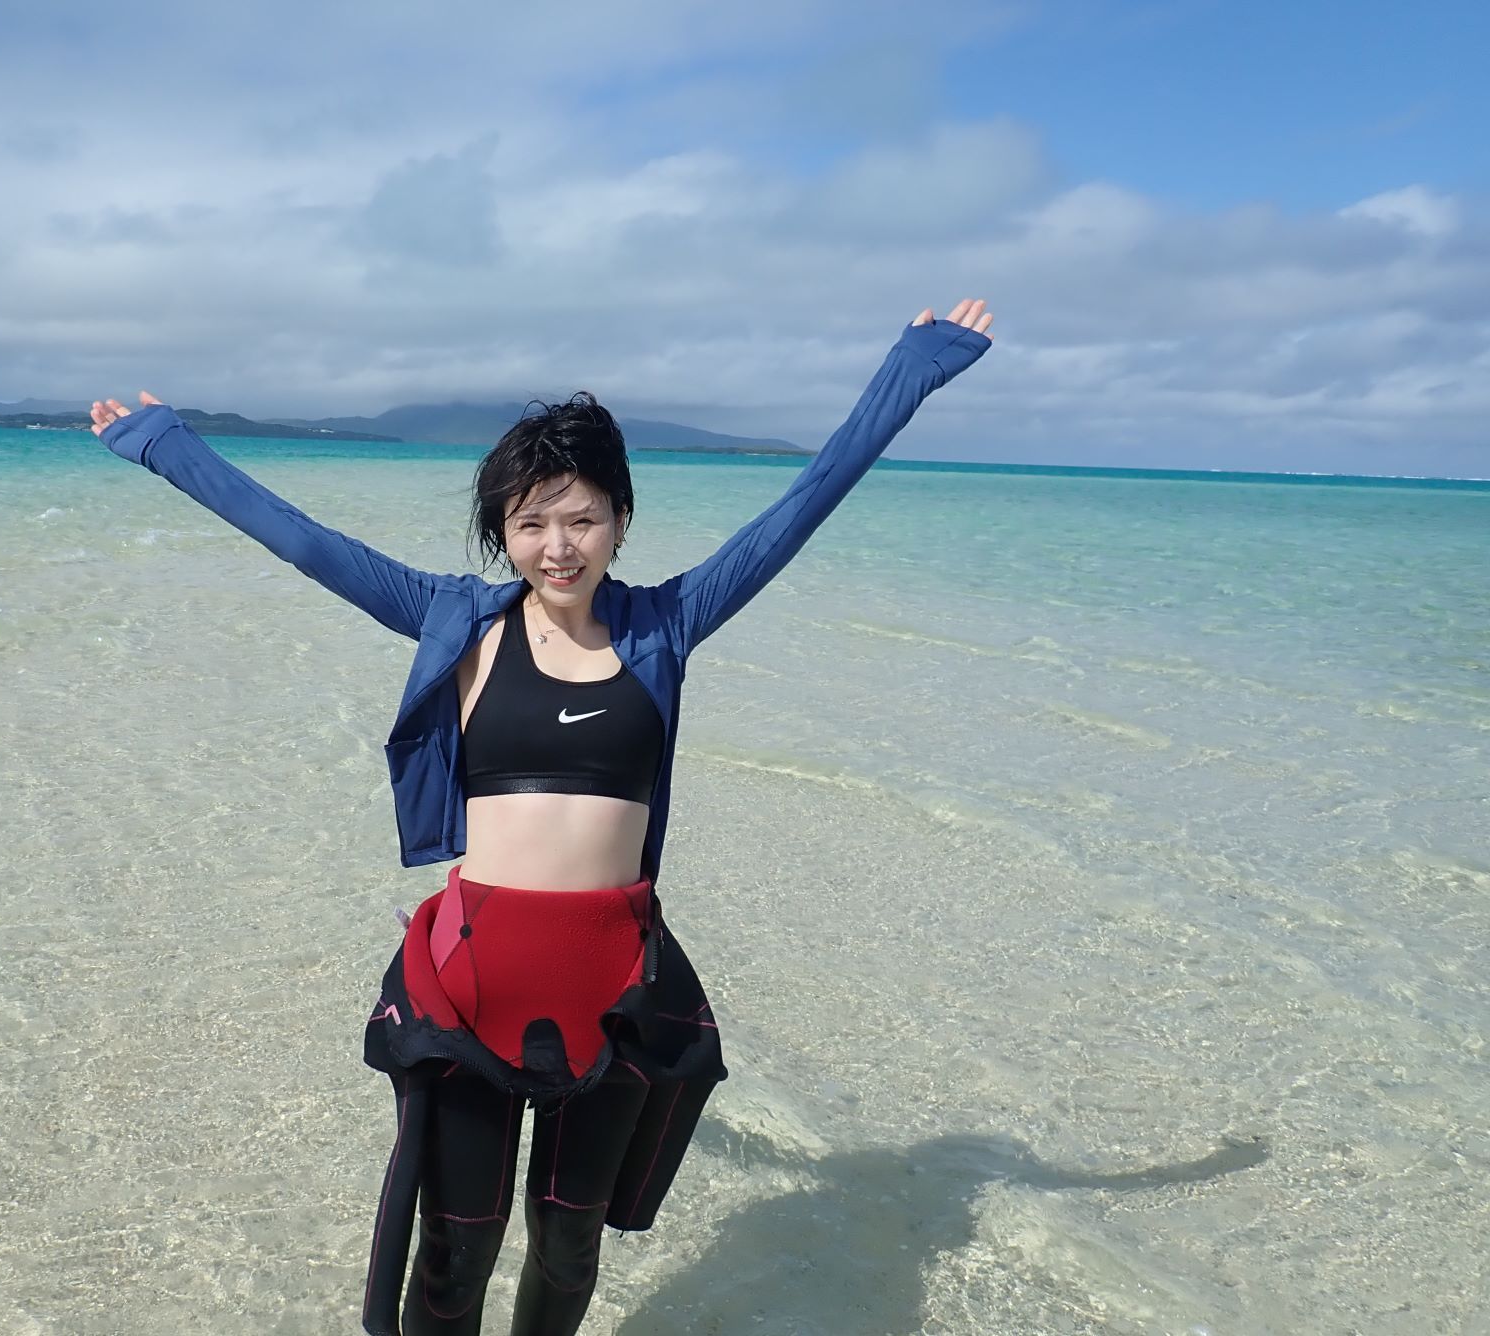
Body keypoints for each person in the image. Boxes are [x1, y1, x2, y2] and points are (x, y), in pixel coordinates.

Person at [89, 299, 994, 1335]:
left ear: (619, 519)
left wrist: (914, 367)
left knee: (569, 1245)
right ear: (502, 533)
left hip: (610, 988)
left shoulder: (665, 625)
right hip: (473, 984)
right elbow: (300, 539)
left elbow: (804, 501)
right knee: (454, 1249)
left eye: (581, 519)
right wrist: (163, 444)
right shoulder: (454, 621)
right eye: (530, 524)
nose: (557, 547)